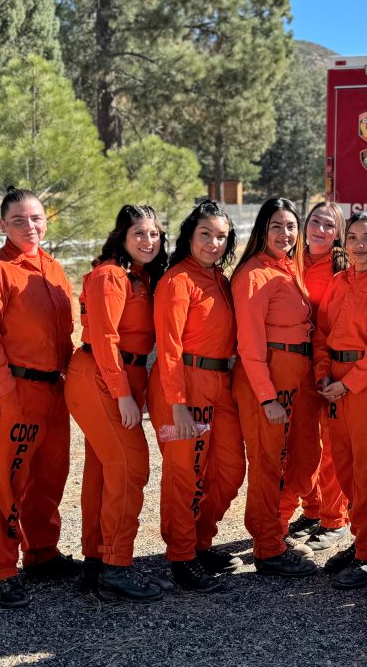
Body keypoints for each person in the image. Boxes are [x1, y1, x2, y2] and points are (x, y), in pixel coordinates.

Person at [0, 188, 77, 609]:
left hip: (54, 390)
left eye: (36, 218)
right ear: (2, 225)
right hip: (11, 390)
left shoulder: (53, 270)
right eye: (18, 220)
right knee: (7, 479)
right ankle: (0, 567)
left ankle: (41, 552)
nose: (29, 226)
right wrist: (6, 391)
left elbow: (64, 335)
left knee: (49, 477)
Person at [65, 205, 168, 602]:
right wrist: (123, 394)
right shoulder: (111, 275)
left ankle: (97, 560)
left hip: (119, 375)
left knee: (104, 471)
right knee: (129, 468)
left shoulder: (137, 276)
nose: (148, 241)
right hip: (101, 376)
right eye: (139, 233)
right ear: (122, 236)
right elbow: (106, 339)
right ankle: (116, 567)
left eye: (154, 234)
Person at [146, 201, 245, 593]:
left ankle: (201, 540)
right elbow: (168, 348)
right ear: (190, 235)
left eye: (221, 236)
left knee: (230, 468)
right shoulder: (176, 281)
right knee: (185, 475)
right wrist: (177, 406)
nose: (213, 242)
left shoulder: (220, 279)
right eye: (205, 234)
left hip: (219, 384)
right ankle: (183, 557)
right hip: (183, 384)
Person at [313, 211, 367, 589]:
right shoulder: (336, 282)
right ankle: (360, 535)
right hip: (334, 381)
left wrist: (348, 384)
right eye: (352, 238)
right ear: (344, 242)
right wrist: (323, 374)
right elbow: (321, 332)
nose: (359, 244)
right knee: (346, 465)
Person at [232, 197, 318, 577]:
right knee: (267, 463)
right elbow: (250, 344)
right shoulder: (254, 274)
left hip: (294, 373)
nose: (285, 234)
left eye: (290, 227)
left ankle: (275, 533)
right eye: (276, 227)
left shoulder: (288, 268)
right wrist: (267, 396)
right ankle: (267, 548)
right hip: (268, 375)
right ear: (262, 231)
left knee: (292, 460)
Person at [282, 202, 351, 552]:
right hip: (294, 364)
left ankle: (335, 519)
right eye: (315, 221)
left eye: (329, 224)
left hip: (326, 366)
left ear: (337, 233)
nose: (319, 229)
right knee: (302, 442)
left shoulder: (341, 267)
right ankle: (312, 509)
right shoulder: (292, 259)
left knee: (331, 446)